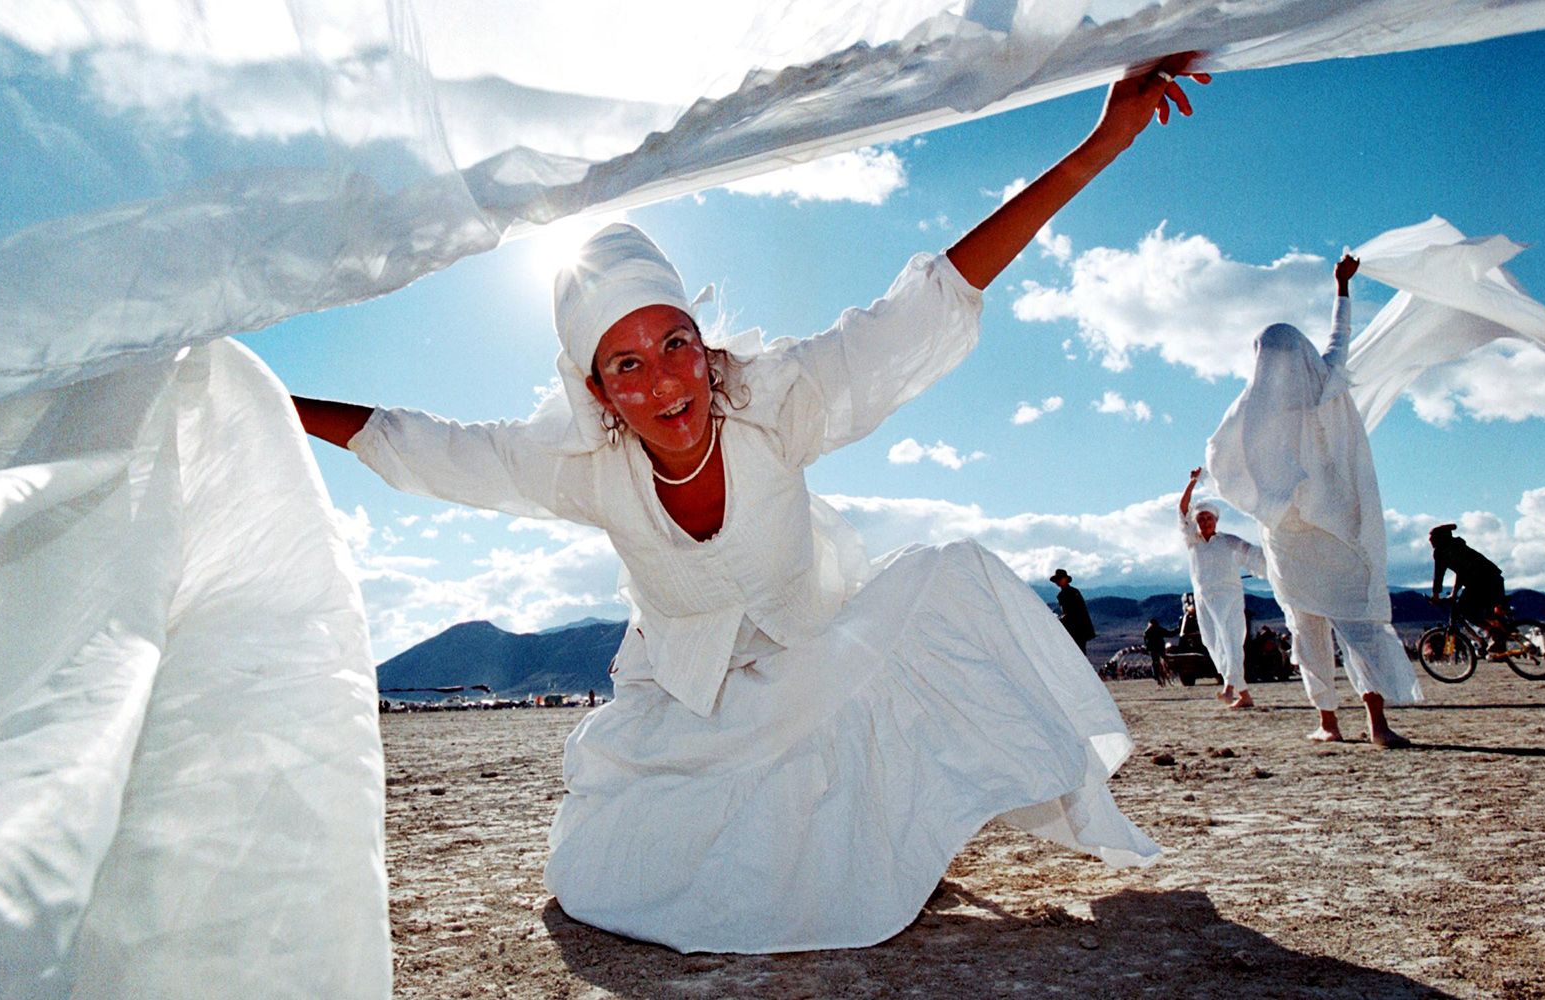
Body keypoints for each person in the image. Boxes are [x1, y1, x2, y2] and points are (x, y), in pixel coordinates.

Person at [288, 55, 1207, 953]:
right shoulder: (573, 466)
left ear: (704, 342)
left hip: (815, 659)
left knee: (947, 579)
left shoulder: (778, 402)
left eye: (675, 342)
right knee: (605, 878)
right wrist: (273, 405)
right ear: (599, 391)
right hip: (690, 699)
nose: (664, 381)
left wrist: (1102, 143)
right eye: (628, 364)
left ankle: (907, 816)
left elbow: (934, 299)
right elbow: (421, 446)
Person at [1204, 254, 1422, 748]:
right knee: (1356, 626)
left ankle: (1328, 723)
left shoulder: (1251, 409)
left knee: (1306, 631)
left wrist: (1269, 500)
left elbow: (1219, 456)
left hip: (1288, 540)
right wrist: (1340, 287)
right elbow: (1339, 338)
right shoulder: (1324, 382)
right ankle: (1378, 724)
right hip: (1338, 530)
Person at [1177, 467, 1267, 708]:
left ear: (1216, 520)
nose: (1205, 521)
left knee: (1231, 639)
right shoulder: (1192, 542)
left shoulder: (1229, 541)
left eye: (1209, 517)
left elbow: (1255, 556)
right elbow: (1182, 509)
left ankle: (1229, 688)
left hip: (1229, 596)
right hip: (1204, 598)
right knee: (1213, 643)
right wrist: (1193, 483)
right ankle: (1243, 694)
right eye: (1201, 518)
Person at [1428, 523, 1506, 644]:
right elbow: (1460, 573)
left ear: (1440, 539)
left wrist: (1436, 595)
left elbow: (1439, 574)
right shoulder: (1458, 547)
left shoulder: (1442, 552)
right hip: (1494, 579)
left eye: (1432, 538)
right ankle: (1498, 639)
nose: (1430, 542)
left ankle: (1493, 632)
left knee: (1466, 609)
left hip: (1481, 582)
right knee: (1487, 613)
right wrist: (1453, 593)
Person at [1051, 568, 1096, 655]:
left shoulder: (1068, 593)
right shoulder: (1072, 592)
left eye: (1060, 579)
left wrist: (1059, 620)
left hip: (1076, 629)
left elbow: (1072, 613)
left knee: (1078, 652)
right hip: (1078, 628)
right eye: (1057, 580)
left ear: (1066, 579)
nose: (1058, 582)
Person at [1143, 617, 1171, 686]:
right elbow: (1169, 634)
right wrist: (1178, 630)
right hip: (1160, 648)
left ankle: (1156, 676)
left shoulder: (1147, 631)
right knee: (1163, 660)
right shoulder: (1159, 629)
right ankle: (1165, 673)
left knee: (1155, 662)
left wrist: (1147, 648)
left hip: (1154, 649)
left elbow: (1146, 640)